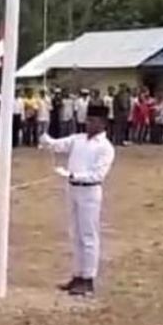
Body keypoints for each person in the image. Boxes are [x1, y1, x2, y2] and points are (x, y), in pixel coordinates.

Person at [39, 105, 115, 296]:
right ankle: (78, 275)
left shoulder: (105, 147)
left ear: (103, 123)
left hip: (89, 192)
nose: (89, 123)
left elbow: (98, 175)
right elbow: (57, 145)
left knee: (88, 235)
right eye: (88, 120)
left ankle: (88, 279)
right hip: (72, 190)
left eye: (93, 120)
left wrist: (73, 174)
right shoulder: (78, 139)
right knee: (75, 233)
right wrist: (46, 138)